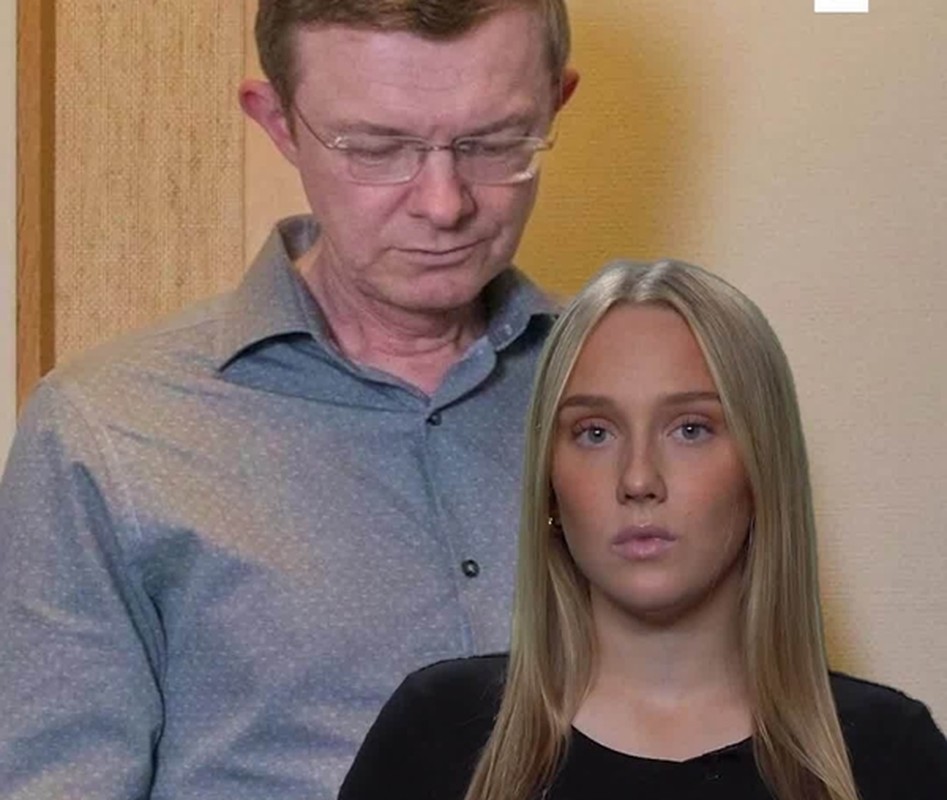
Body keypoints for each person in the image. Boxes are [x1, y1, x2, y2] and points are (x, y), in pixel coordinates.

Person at [0, 2, 578, 798]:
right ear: (277, 123)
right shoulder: (106, 429)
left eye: (493, 142)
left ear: (555, 103)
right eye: (375, 148)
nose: (444, 205)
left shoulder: (642, 397)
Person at [338, 259, 947, 800]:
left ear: (763, 467)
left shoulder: (889, 754)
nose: (637, 479)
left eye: (690, 429)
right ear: (549, 483)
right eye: (594, 433)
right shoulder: (437, 734)